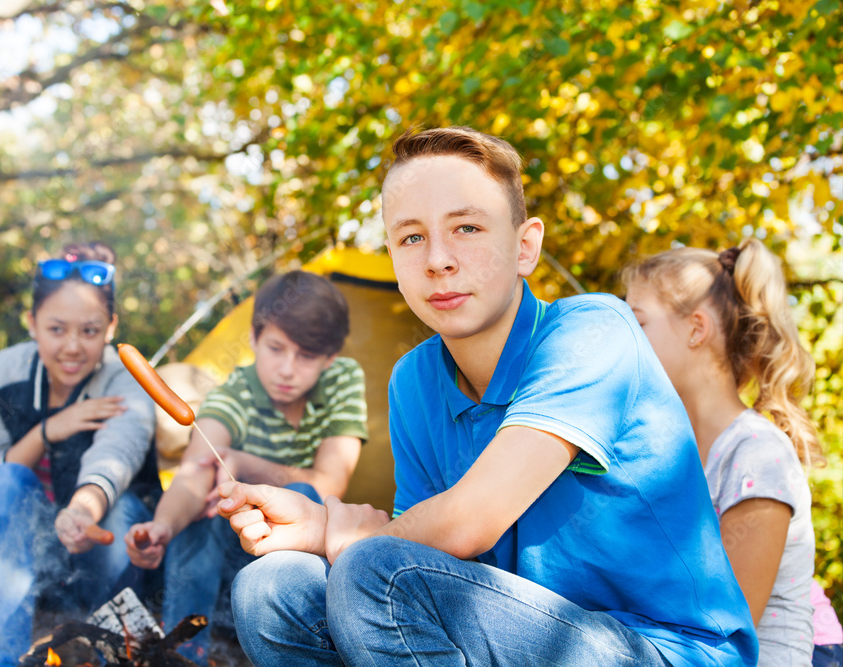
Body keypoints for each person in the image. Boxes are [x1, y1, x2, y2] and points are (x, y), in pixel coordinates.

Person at [215, 126, 759, 667]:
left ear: (525, 247)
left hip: (663, 650)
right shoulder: (414, 380)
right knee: (272, 587)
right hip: (506, 632)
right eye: (411, 238)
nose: (438, 260)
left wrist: (329, 531)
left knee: (376, 571)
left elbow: (464, 524)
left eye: (467, 228)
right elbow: (421, 549)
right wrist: (322, 525)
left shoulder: (593, 332)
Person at [124, 270, 368, 662]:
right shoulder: (234, 394)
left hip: (296, 562)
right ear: (254, 339)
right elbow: (193, 472)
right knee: (206, 507)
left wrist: (243, 463)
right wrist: (162, 526)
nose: (287, 369)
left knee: (304, 495)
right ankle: (184, 655)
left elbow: (329, 485)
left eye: (306, 356)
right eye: (275, 348)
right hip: (224, 555)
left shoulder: (342, 381)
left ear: (329, 359)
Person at [623, 239, 841, 667]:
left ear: (696, 329)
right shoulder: (665, 451)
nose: (625, 341)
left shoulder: (758, 454)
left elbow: (724, 628)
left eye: (638, 323)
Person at [0, 242, 161, 667]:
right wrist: (48, 431)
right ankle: (3, 661)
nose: (72, 347)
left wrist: (83, 510)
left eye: (89, 331)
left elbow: (116, 454)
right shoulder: (4, 372)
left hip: (106, 553)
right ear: (31, 323)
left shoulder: (127, 377)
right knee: (9, 479)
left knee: (123, 507)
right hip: (23, 557)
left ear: (111, 327)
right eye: (56, 329)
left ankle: (122, 655)